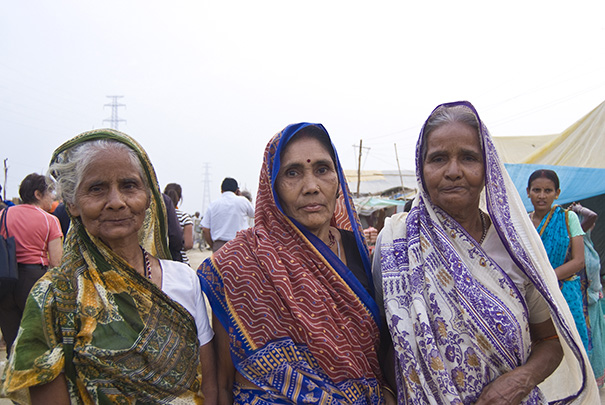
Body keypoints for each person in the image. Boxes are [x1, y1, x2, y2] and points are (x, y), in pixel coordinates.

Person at [374, 101, 597, 403]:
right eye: (438, 158)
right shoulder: (396, 243)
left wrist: (520, 381)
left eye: (468, 158)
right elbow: (384, 342)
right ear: (421, 168)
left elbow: (549, 340)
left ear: (487, 167)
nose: (453, 171)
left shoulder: (516, 248)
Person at [1, 129, 216, 404]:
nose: (116, 202)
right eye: (96, 188)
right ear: (72, 204)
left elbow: (209, 385)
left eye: (129, 185)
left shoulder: (184, 279)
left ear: (148, 197)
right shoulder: (54, 296)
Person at [198, 123, 393, 404]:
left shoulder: (357, 249)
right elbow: (223, 383)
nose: (311, 187)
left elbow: (376, 351)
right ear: (272, 186)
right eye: (292, 173)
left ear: (338, 182)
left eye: (322, 170)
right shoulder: (239, 263)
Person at [0, 173, 63, 357]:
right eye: (49, 192)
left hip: (5, 279)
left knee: (12, 338)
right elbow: (56, 261)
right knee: (38, 338)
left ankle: (13, 369)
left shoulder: (3, 214)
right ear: (37, 194)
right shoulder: (50, 220)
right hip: (34, 280)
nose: (52, 197)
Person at [527, 170, 590, 353]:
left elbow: (578, 261)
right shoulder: (523, 222)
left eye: (548, 191)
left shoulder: (568, 218)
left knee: (572, 346)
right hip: (532, 294)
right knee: (539, 345)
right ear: (528, 192)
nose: (541, 196)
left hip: (564, 292)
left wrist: (546, 279)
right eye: (536, 190)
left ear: (557, 193)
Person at [570, 202, 605, 387]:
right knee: (588, 341)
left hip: (594, 298)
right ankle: (588, 380)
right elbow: (592, 216)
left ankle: (595, 378)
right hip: (582, 301)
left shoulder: (587, 241)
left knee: (597, 341)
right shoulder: (575, 236)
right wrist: (578, 209)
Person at [201, 177, 254, 252]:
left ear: (221, 190)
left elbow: (205, 229)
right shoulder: (243, 201)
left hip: (219, 246)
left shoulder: (213, 205)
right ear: (237, 190)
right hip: (240, 245)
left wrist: (212, 245)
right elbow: (255, 215)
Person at [164, 183, 193, 266]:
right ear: (179, 198)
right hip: (180, 262)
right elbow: (188, 244)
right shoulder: (184, 217)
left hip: (162, 262)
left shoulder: (158, 217)